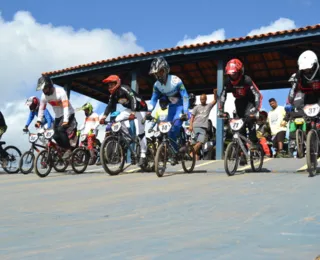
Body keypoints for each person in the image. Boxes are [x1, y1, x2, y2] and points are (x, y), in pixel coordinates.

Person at [218, 58, 262, 164]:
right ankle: (243, 153)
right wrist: (220, 110)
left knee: (249, 121)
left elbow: (257, 94)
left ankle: (255, 144)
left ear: (240, 72)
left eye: (235, 74)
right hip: (239, 104)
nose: (232, 76)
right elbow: (222, 96)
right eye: (230, 74)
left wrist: (256, 110)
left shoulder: (247, 79)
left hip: (250, 103)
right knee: (239, 129)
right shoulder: (227, 81)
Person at [99, 75, 148, 166]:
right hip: (131, 109)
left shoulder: (124, 88)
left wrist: (133, 113)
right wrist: (104, 117)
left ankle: (143, 155)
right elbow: (109, 106)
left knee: (140, 132)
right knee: (116, 120)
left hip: (141, 108)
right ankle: (127, 136)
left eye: (111, 85)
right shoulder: (113, 95)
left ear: (117, 83)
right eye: (108, 85)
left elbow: (133, 99)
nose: (109, 87)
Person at [148, 56, 189, 152]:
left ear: (166, 70)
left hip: (181, 105)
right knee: (169, 130)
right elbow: (153, 99)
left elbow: (185, 96)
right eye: (156, 73)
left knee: (176, 124)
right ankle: (175, 152)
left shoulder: (176, 80)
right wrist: (149, 112)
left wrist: (186, 112)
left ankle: (184, 143)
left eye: (160, 72)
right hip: (171, 106)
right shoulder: (156, 85)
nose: (158, 75)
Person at [36, 75, 77, 159]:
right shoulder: (44, 96)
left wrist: (65, 120)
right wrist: (39, 120)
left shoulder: (60, 92)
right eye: (42, 89)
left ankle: (68, 149)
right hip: (58, 116)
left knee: (61, 129)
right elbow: (41, 108)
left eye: (45, 88)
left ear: (50, 86)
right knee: (54, 133)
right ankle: (63, 148)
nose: (44, 91)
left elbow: (65, 107)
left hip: (69, 113)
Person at [189, 90, 217, 160]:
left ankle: (190, 153)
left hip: (203, 127)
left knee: (200, 142)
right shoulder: (196, 107)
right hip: (195, 127)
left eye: (203, 99)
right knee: (195, 146)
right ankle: (195, 162)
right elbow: (192, 117)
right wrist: (190, 125)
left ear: (206, 99)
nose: (202, 100)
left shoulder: (208, 106)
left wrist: (215, 93)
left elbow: (215, 100)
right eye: (201, 99)